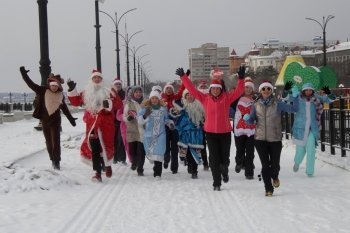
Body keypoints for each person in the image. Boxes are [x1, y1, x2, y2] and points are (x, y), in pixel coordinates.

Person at [176, 66, 245, 191]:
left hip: (224, 133)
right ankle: (216, 182)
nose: (215, 91)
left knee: (225, 159)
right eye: (213, 89)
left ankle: (224, 170)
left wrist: (241, 78)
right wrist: (183, 77)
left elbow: (239, 91)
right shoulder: (205, 98)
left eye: (217, 89)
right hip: (210, 133)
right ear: (210, 89)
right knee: (213, 158)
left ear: (220, 89)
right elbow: (191, 89)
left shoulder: (227, 98)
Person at [243, 81, 298, 196]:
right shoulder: (256, 105)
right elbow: (251, 120)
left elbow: (294, 109)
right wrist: (247, 119)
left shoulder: (278, 104)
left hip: (275, 139)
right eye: (263, 89)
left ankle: (275, 176)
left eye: (268, 88)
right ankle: (268, 188)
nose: (266, 91)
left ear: (271, 91)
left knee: (275, 165)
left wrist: (295, 96)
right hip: (260, 139)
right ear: (260, 91)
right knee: (265, 165)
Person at [66, 69, 122, 182]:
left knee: (107, 146)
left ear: (102, 79)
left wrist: (109, 104)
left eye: (99, 78)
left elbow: (119, 104)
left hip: (106, 123)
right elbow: (76, 102)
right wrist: (72, 90)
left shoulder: (109, 91)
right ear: (91, 80)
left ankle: (108, 165)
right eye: (94, 78)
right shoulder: (86, 92)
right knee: (95, 148)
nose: (97, 80)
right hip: (92, 124)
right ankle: (97, 173)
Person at [19, 66, 77, 170]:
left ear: (58, 86)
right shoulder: (42, 90)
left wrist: (71, 119)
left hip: (55, 121)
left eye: (56, 85)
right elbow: (30, 84)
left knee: (56, 141)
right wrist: (24, 74)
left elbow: (65, 109)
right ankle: (52, 159)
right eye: (52, 85)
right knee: (48, 142)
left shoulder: (60, 95)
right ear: (49, 85)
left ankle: (57, 161)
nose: (54, 87)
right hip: (45, 121)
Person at [285, 82, 334, 177]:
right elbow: (286, 98)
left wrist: (329, 93)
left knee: (311, 150)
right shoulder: (297, 98)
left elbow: (330, 100)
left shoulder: (317, 98)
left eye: (310, 90)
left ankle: (310, 171)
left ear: (312, 90)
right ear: (303, 91)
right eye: (306, 90)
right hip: (300, 129)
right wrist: (286, 90)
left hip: (312, 128)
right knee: (301, 150)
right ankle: (297, 162)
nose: (308, 92)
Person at [171, 89, 205, 179]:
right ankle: (189, 163)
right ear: (185, 96)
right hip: (185, 134)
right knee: (187, 152)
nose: (189, 96)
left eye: (191, 94)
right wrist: (174, 113)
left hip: (196, 134)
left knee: (195, 152)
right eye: (187, 95)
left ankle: (194, 170)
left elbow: (205, 118)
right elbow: (175, 117)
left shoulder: (200, 106)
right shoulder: (182, 107)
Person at [138, 90, 171, 178]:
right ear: (150, 99)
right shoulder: (145, 108)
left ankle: (157, 173)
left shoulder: (163, 109)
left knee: (159, 153)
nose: (154, 100)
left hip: (161, 134)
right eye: (152, 98)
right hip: (149, 135)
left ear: (159, 99)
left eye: (156, 98)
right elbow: (139, 121)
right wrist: (145, 115)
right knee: (152, 153)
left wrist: (170, 123)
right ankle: (154, 165)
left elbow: (166, 119)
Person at [232, 77, 256, 179]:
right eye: (246, 87)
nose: (248, 89)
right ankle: (239, 162)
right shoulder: (237, 98)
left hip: (251, 128)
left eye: (250, 88)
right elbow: (229, 103)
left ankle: (249, 172)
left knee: (250, 151)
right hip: (239, 128)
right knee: (240, 149)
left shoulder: (255, 99)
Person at [161, 81, 185, 174]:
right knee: (166, 146)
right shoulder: (161, 100)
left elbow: (181, 90)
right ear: (164, 90)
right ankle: (166, 159)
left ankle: (174, 168)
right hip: (165, 127)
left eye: (170, 88)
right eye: (167, 88)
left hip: (175, 126)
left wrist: (184, 79)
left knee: (175, 147)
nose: (169, 90)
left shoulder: (176, 98)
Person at [123, 85, 145, 176]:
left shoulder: (146, 103)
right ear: (133, 93)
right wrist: (128, 118)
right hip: (132, 130)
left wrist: (145, 118)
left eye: (140, 92)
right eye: (136, 92)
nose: (138, 94)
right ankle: (134, 162)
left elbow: (149, 113)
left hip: (142, 130)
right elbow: (124, 116)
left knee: (141, 151)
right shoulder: (128, 103)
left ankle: (140, 169)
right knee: (132, 151)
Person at [111, 78, 127, 165]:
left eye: (119, 84)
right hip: (112, 121)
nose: (117, 86)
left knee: (121, 139)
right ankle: (115, 157)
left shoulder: (124, 95)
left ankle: (122, 158)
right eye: (116, 84)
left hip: (122, 121)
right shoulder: (110, 94)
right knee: (114, 140)